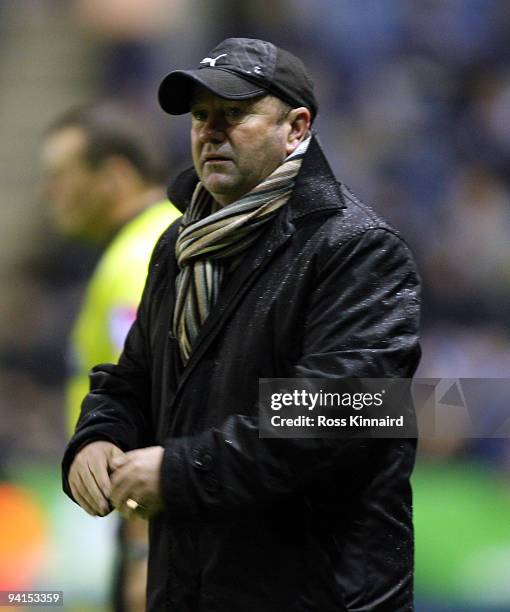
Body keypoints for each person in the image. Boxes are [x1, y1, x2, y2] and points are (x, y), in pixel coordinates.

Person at [62, 38, 421, 611]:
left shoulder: (357, 249)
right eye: (201, 116)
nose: (210, 130)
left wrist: (182, 471)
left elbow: (345, 409)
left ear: (296, 127)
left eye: (235, 113)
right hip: (191, 586)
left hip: (319, 595)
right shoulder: (178, 243)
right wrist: (99, 435)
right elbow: (130, 380)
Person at [42, 102, 180, 611]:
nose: (48, 193)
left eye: (60, 175)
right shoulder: (150, 242)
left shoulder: (138, 261)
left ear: (114, 176)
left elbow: (156, 402)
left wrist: (144, 550)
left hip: (153, 523)